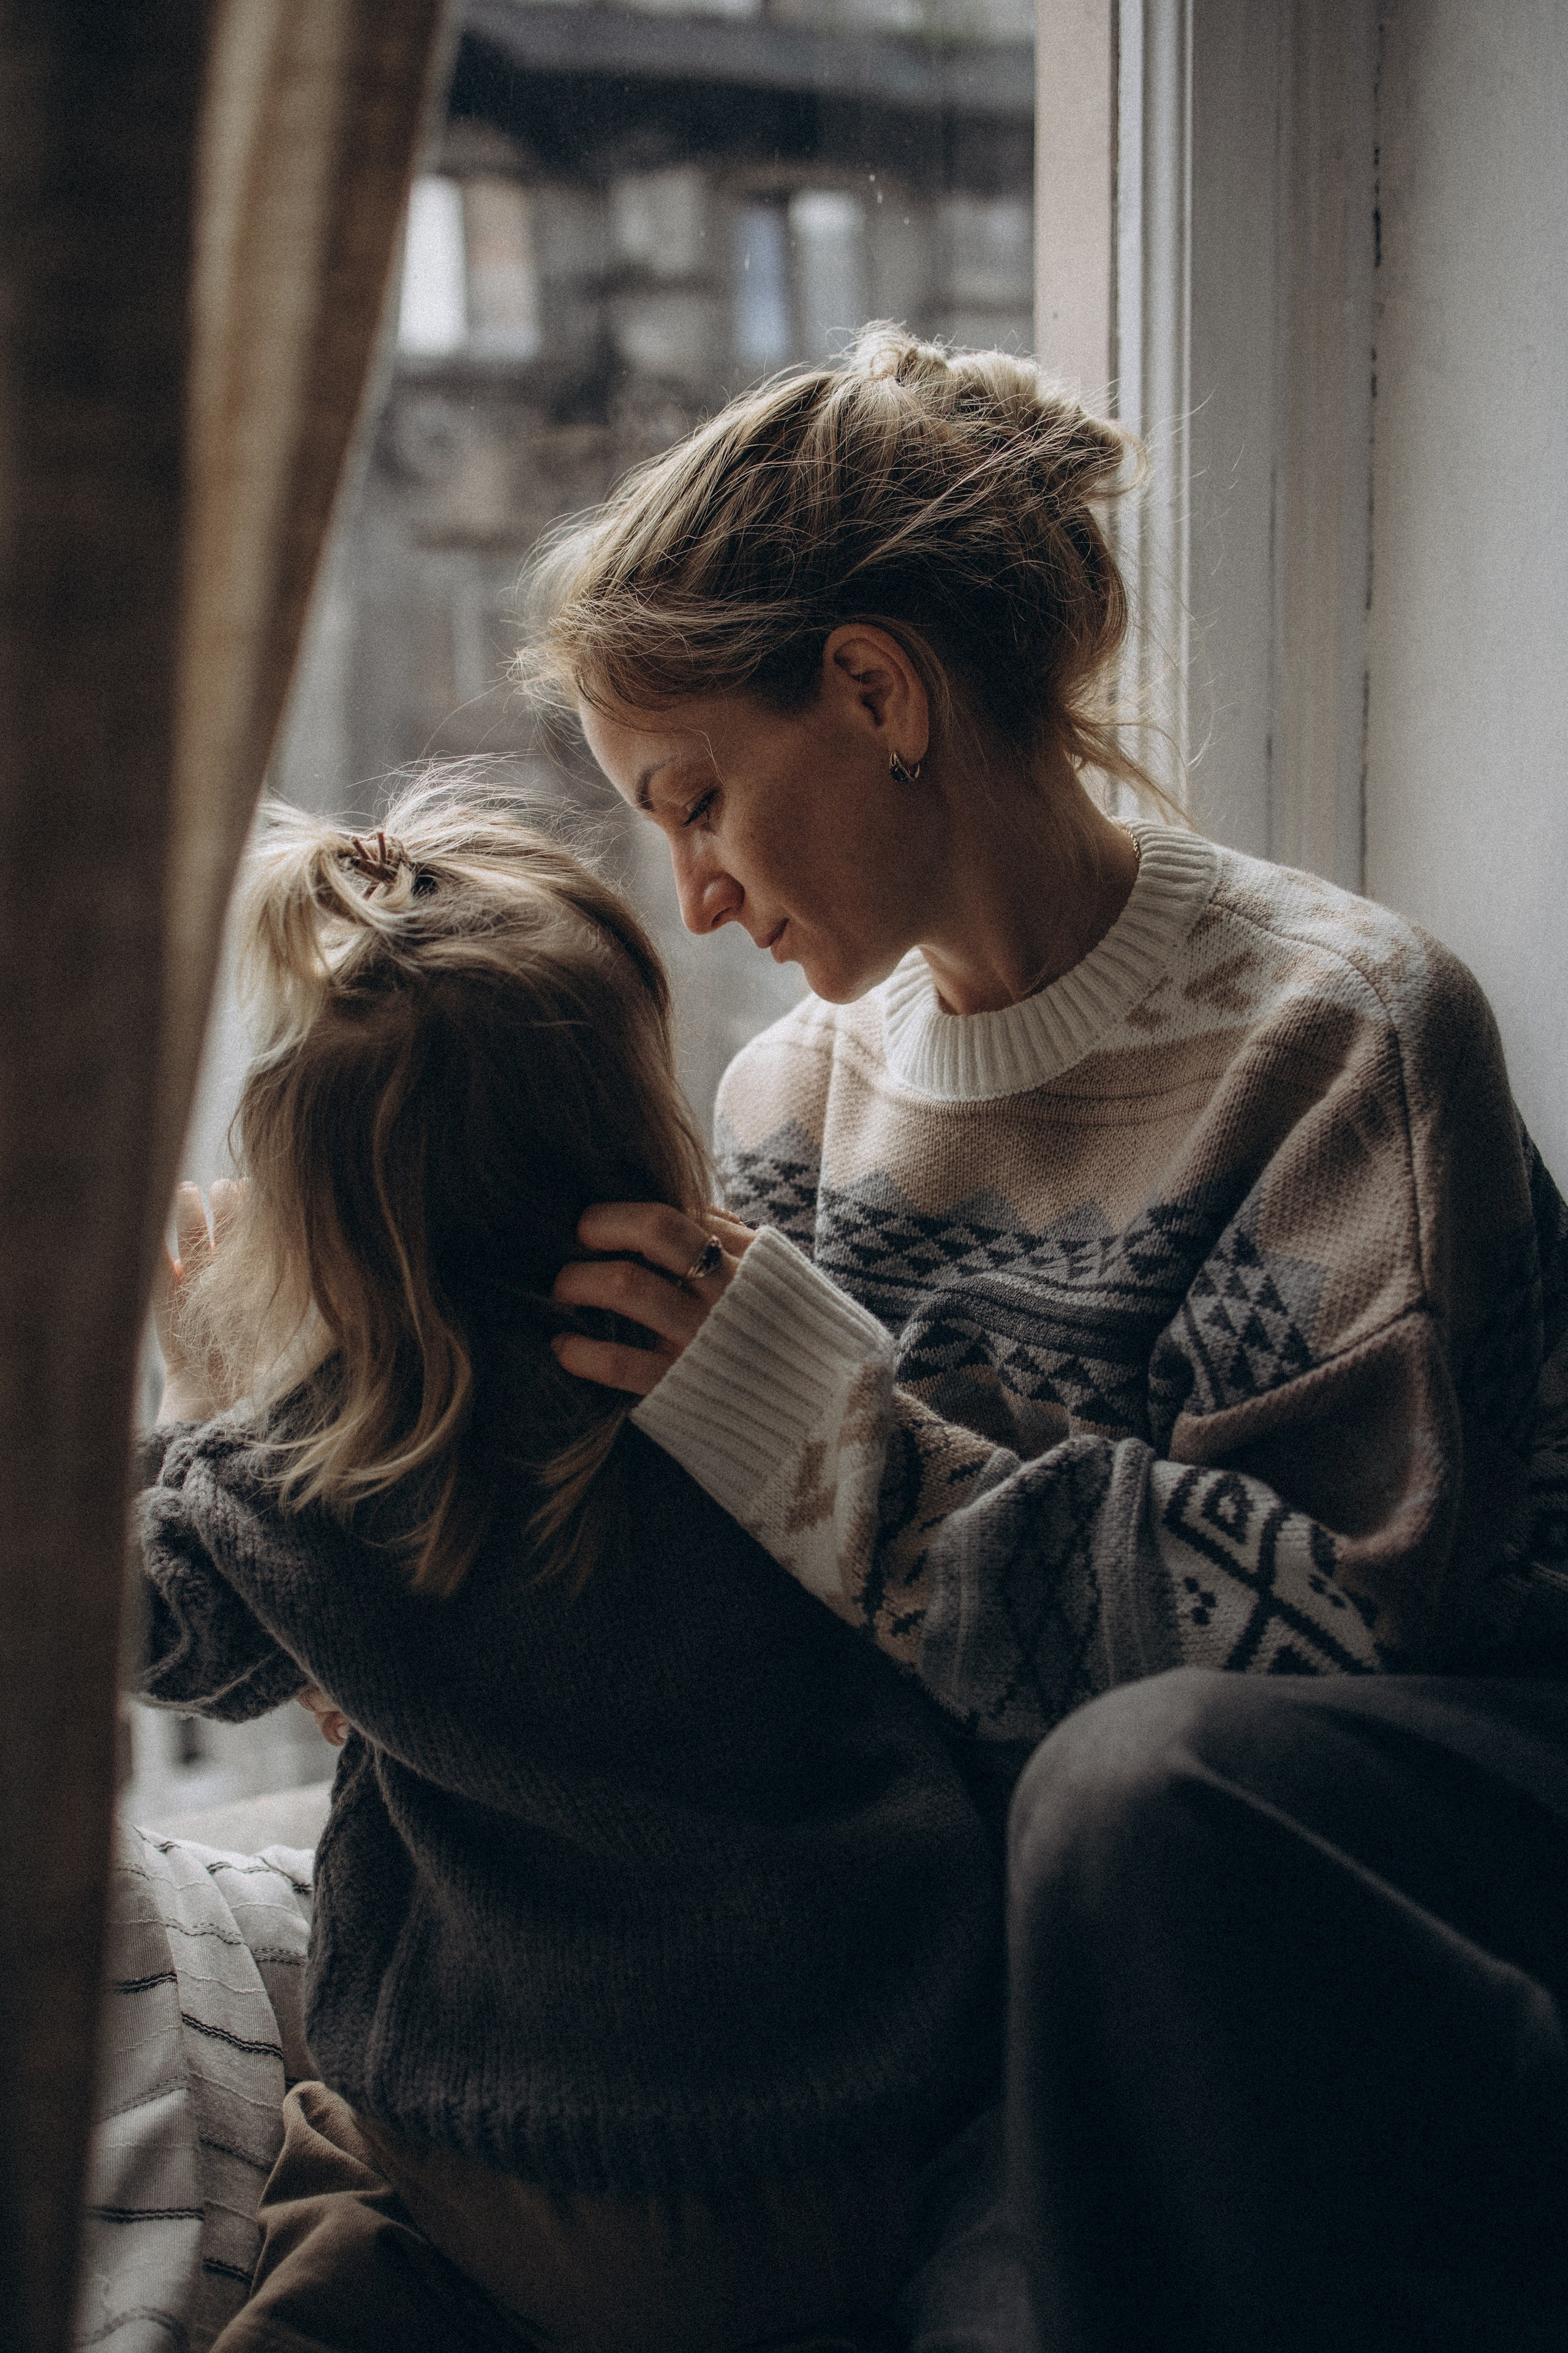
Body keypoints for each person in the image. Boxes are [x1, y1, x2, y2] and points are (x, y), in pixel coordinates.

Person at [520, 325, 1568, 2350]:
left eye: (701, 799)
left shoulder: (1338, 1032)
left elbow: (1329, 1646)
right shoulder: (789, 1107)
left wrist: (829, 1447)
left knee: (1130, 1789)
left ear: (876, 691)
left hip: (1409, 1846)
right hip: (1038, 1917)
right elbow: (819, 1648)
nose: (697, 899)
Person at [133, 780, 1005, 2353]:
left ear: (317, 1226)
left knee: (333, 2180)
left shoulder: (307, 1483)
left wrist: (196, 1405)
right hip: (864, 2155)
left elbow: (150, 1631)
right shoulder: (754, 1381)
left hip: (517, 2174)